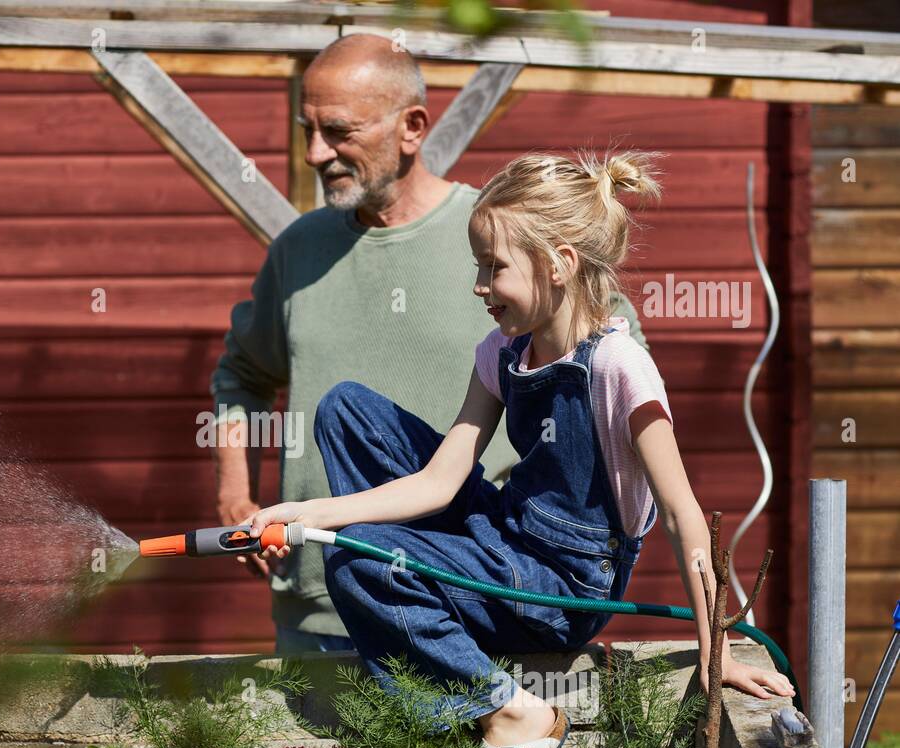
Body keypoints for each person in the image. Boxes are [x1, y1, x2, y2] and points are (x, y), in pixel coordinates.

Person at [246, 150, 795, 748]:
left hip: (564, 588)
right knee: (346, 410)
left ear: (560, 263)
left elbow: (682, 515)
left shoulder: (620, 368)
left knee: (361, 564)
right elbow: (439, 482)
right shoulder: (504, 351)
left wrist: (717, 652)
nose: (479, 284)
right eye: (478, 265)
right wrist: (308, 512)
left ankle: (509, 710)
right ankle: (412, 585)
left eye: (494, 266)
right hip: (508, 543)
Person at [209, 34, 646, 656]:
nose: (314, 153)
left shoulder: (508, 242)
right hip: (316, 611)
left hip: (466, 606)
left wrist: (563, 572)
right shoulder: (297, 251)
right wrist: (234, 489)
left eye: (337, 131)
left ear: (413, 126)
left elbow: (611, 382)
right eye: (306, 129)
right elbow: (242, 376)